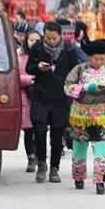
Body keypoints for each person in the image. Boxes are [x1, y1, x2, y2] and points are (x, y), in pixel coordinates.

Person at [64, 40, 105, 194]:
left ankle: (100, 180)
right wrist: (84, 88)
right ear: (89, 57)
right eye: (96, 59)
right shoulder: (79, 69)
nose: (99, 62)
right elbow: (67, 87)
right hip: (81, 115)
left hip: (103, 115)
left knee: (102, 147)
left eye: (102, 59)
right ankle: (79, 177)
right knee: (79, 148)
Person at [26, 21, 80, 184]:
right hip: (41, 95)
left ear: (60, 36)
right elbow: (29, 68)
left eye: (54, 38)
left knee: (57, 132)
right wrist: (38, 67)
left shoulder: (69, 49)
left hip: (60, 97)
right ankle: (42, 164)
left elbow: (76, 70)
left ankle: (54, 168)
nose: (50, 41)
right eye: (47, 38)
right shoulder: (37, 47)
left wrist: (71, 87)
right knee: (40, 129)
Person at [18, 29, 41, 173]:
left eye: (37, 40)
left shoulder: (45, 54)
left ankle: (40, 155)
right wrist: (30, 80)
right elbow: (15, 75)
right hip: (25, 95)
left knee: (40, 128)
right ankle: (31, 157)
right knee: (28, 129)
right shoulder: (19, 55)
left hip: (41, 95)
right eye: (31, 40)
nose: (34, 43)